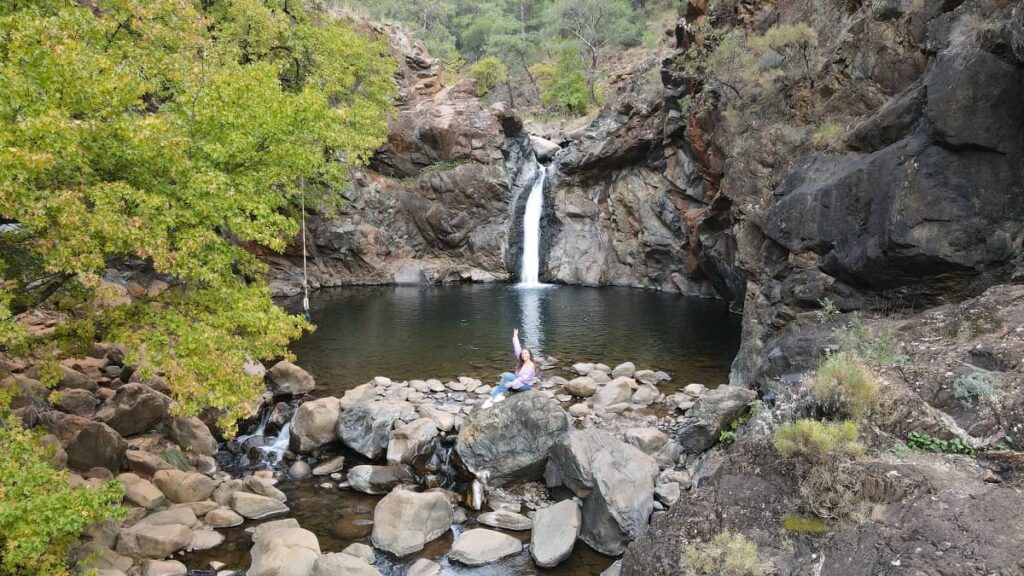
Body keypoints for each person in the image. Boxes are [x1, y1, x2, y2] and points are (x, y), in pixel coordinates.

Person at [482, 328, 535, 409]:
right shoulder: (521, 360)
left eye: (526, 353)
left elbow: (522, 379)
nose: (524, 355)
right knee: (505, 379)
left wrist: (512, 384)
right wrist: (515, 336)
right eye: (523, 354)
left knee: (507, 378)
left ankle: (498, 395)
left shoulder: (530, 366)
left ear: (529, 355)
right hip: (518, 381)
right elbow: (517, 349)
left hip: (525, 385)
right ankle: (491, 399)